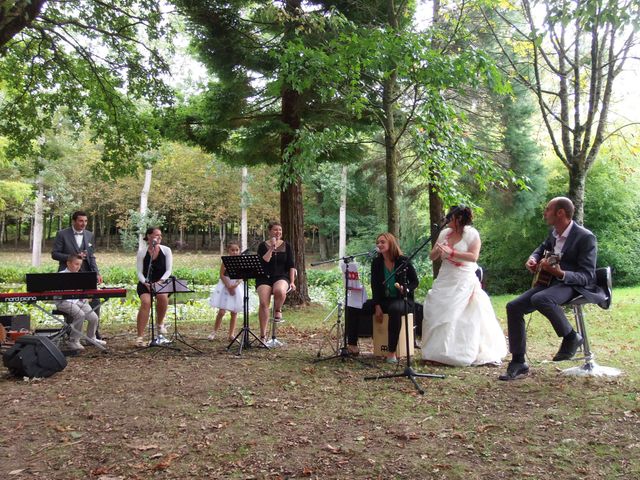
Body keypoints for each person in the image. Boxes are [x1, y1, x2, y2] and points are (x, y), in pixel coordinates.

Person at [499, 197, 606, 381]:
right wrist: (533, 259)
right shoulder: (554, 233)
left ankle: (572, 337)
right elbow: (541, 249)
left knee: (540, 299)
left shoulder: (585, 237)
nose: (544, 213)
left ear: (560, 213)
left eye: (547, 209)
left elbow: (587, 276)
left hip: (573, 285)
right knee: (513, 306)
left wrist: (560, 273)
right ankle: (518, 362)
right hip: (550, 283)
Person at [420, 206, 507, 366]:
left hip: (462, 278)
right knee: (437, 310)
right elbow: (432, 256)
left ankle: (457, 353)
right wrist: (439, 250)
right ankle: (435, 353)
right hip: (445, 277)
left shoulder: (471, 234)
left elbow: (473, 257)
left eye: (449, 218)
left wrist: (452, 252)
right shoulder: (444, 234)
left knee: (457, 314)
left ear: (458, 219)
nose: (446, 221)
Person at [346, 233, 419, 364]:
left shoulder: (403, 260)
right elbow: (375, 286)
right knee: (353, 305)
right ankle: (352, 346)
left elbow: (415, 281)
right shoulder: (377, 262)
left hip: (403, 300)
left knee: (395, 309)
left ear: (391, 243)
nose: (379, 245)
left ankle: (391, 352)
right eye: (378, 242)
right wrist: (377, 306)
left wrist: (406, 288)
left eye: (382, 242)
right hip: (383, 301)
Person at [52, 210, 103, 337]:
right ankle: (70, 331)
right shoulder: (62, 234)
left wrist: (96, 272)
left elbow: (91, 257)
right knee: (70, 301)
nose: (83, 223)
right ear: (74, 221)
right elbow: (55, 254)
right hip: (68, 273)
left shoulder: (89, 235)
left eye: (85, 221)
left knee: (95, 300)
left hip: (86, 272)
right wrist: (72, 257)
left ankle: (94, 333)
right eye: (80, 221)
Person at [54, 254, 106, 351]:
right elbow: (56, 293)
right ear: (68, 263)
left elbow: (84, 291)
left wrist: (86, 297)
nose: (78, 267)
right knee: (80, 315)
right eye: (76, 264)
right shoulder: (61, 275)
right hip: (64, 302)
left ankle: (91, 338)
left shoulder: (80, 275)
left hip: (79, 301)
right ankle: (73, 341)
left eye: (79, 265)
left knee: (94, 317)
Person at [256, 221, 296, 341]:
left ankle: (278, 309)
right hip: (264, 277)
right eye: (275, 230)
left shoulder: (287, 245)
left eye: (280, 230)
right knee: (263, 303)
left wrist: (292, 281)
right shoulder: (262, 246)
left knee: (279, 290)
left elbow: (291, 265)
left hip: (281, 276)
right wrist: (272, 248)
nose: (278, 232)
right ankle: (263, 336)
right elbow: (264, 261)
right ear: (270, 231)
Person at [135, 227, 173, 347]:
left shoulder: (166, 250)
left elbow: (168, 270)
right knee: (146, 302)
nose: (159, 238)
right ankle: (140, 337)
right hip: (146, 282)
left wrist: (160, 282)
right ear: (149, 236)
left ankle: (160, 324)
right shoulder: (142, 252)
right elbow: (139, 272)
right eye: (156, 235)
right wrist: (146, 282)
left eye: (160, 235)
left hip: (162, 282)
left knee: (162, 296)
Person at [208, 242, 243, 341]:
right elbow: (222, 275)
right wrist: (228, 286)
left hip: (236, 286)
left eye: (237, 250)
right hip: (226, 285)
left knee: (234, 312)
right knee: (222, 311)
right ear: (228, 251)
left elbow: (242, 276)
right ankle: (214, 332)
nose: (235, 252)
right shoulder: (225, 261)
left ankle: (231, 334)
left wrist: (235, 285)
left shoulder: (241, 262)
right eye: (232, 250)